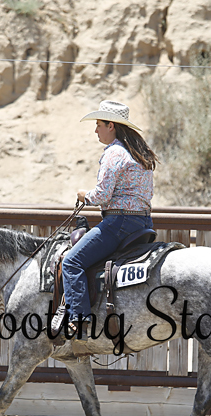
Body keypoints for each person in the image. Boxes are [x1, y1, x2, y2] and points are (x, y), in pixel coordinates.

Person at [51, 100, 159, 339]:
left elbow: (102, 195)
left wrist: (84, 195)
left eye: (99, 124)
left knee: (71, 262)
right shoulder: (139, 153)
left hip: (119, 224)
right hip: (143, 223)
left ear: (111, 126)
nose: (95, 130)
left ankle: (79, 319)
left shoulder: (114, 153)